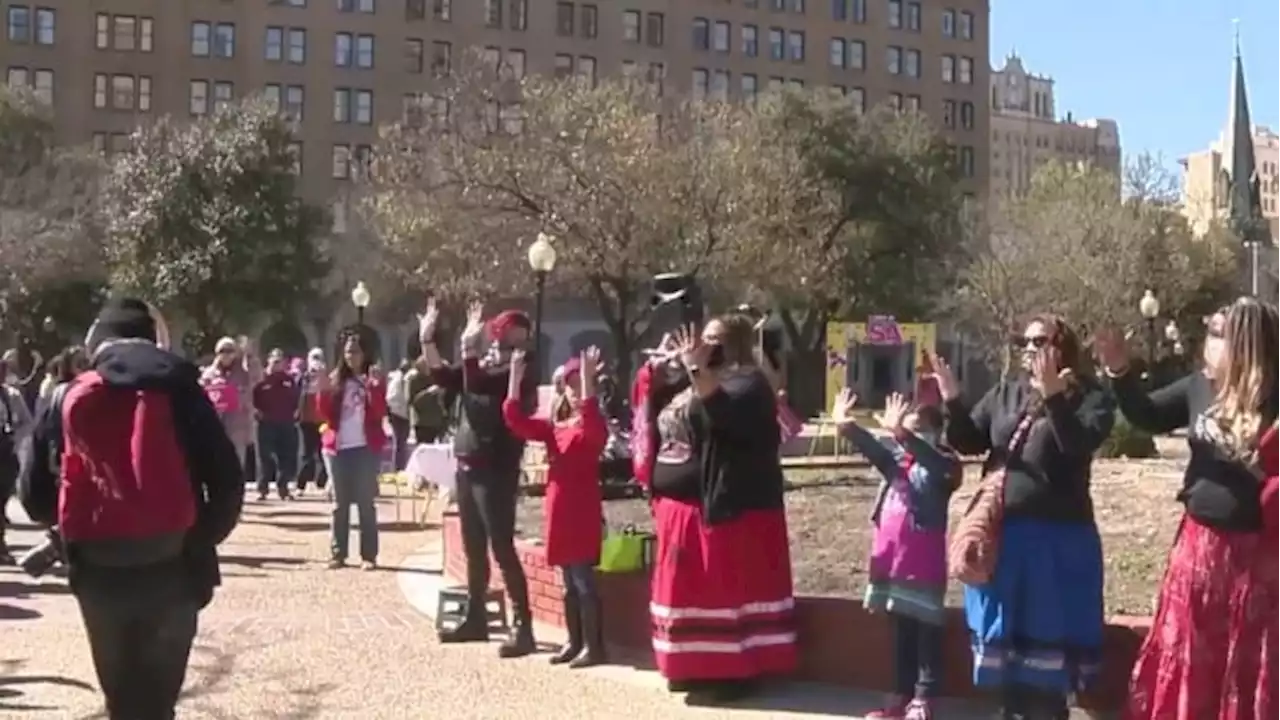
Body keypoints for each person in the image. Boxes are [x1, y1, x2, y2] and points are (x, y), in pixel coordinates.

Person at [18, 297, 243, 720]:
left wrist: (69, 526)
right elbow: (228, 482)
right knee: (159, 703)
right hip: (172, 562)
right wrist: (196, 536)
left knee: (121, 701)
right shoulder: (181, 390)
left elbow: (32, 495)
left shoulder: (67, 394)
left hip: (98, 567)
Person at [1095, 300, 1280, 719]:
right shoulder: (1200, 386)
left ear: (1245, 343)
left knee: (1244, 660)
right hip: (1199, 551)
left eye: (1217, 332)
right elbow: (1148, 414)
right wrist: (1120, 371)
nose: (1206, 342)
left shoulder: (1276, 397)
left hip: (1257, 560)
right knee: (1192, 653)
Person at [935, 315, 1115, 720]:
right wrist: (952, 400)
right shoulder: (1007, 392)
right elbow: (969, 440)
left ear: (1061, 347)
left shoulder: (1090, 396)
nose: (1028, 349)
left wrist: (1053, 396)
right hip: (1008, 540)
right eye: (1024, 342)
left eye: (1038, 341)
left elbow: (1077, 446)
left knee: (1046, 670)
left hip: (1059, 543)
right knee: (1007, 662)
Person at [632, 316, 798, 706]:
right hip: (681, 511)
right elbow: (655, 412)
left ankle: (734, 672)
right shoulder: (695, 379)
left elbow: (724, 416)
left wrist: (697, 371)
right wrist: (662, 372)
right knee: (686, 591)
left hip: (729, 509)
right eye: (705, 338)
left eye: (717, 339)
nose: (708, 344)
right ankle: (689, 666)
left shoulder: (750, 384)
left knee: (722, 594)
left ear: (737, 344)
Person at [419, 297, 539, 658]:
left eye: (516, 337)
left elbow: (479, 384)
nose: (507, 344)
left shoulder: (519, 372)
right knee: (473, 546)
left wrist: (468, 348)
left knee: (501, 545)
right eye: (503, 336)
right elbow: (445, 376)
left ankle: (523, 625)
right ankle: (476, 616)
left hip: (496, 468)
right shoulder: (484, 366)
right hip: (468, 463)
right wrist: (427, 340)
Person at [831, 389, 960, 720]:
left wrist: (902, 433)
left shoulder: (944, 465)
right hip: (894, 563)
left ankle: (924, 697)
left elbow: (936, 465)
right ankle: (900, 696)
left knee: (925, 634)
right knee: (902, 632)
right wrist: (846, 426)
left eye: (916, 429)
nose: (906, 436)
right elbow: (876, 451)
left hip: (923, 565)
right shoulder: (899, 464)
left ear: (934, 432)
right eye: (905, 428)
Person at [502, 346, 609, 668]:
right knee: (567, 581)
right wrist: (514, 378)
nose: (576, 390)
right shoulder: (555, 427)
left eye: (581, 383)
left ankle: (594, 645)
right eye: (572, 383)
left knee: (582, 580)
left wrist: (589, 383)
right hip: (558, 511)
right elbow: (516, 421)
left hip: (581, 510)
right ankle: (574, 641)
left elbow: (591, 429)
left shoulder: (593, 423)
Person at [314, 331, 387, 570]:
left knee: (366, 502)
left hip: (364, 446)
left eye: (355, 351)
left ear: (364, 354)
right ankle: (338, 553)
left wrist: (374, 388)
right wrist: (322, 390)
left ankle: (368, 555)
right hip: (339, 447)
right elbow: (324, 413)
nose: (351, 356)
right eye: (347, 352)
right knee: (340, 503)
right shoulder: (337, 380)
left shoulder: (371, 379)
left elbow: (379, 412)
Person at [201, 336, 256, 475]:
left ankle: (236, 493)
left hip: (238, 425)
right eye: (222, 351)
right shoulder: (209, 374)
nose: (226, 354)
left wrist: (248, 355)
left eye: (230, 351)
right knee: (216, 461)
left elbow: (256, 377)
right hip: (215, 424)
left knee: (237, 462)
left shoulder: (244, 373)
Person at [253, 349, 300, 501]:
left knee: (286, 457)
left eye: (280, 361)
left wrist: (296, 411)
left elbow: (296, 398)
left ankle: (283, 488)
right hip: (266, 423)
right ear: (268, 360)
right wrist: (256, 411)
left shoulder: (288, 380)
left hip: (286, 422)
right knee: (265, 456)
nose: (277, 364)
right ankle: (263, 488)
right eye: (275, 361)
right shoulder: (261, 379)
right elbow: (252, 397)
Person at [0, 359, 34, 564]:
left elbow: (26, 423)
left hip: (5, 453)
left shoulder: (11, 395)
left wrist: (15, 439)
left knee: (1, 501)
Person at [296, 347, 328, 496]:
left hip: (322, 420)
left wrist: (322, 377)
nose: (316, 362)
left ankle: (321, 482)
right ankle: (301, 484)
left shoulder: (326, 378)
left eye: (318, 358)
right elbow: (296, 395)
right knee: (306, 453)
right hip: (306, 420)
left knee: (323, 452)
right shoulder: (303, 378)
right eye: (313, 358)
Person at [407, 358, 448, 446]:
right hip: (423, 424)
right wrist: (428, 392)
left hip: (439, 421)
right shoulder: (414, 380)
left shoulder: (435, 377)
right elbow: (414, 403)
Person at [386, 358, 413, 470]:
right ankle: (399, 467)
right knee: (400, 443)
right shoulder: (403, 379)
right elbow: (405, 397)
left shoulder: (393, 378)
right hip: (400, 413)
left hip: (393, 411)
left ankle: (398, 466)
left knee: (399, 442)